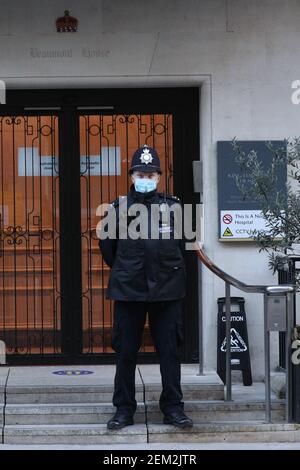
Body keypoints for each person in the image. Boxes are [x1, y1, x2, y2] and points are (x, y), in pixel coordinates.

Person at [99, 144, 193, 430]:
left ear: (159, 177)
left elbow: (184, 244)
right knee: (126, 352)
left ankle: (173, 408)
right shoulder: (117, 209)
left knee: (169, 352)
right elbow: (108, 249)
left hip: (167, 290)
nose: (146, 178)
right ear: (131, 175)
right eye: (140, 172)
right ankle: (124, 410)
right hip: (129, 289)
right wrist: (129, 270)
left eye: (151, 174)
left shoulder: (176, 208)